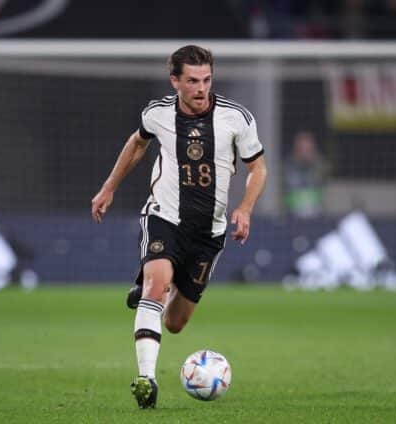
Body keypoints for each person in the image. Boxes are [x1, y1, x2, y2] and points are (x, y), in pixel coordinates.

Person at [90, 45, 267, 409]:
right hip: (164, 217)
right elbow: (137, 143)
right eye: (192, 81)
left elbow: (258, 168)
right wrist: (109, 187)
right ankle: (146, 379)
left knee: (175, 323)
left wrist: (246, 207)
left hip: (209, 233)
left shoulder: (237, 118)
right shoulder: (157, 114)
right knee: (156, 283)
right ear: (175, 81)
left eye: (206, 80)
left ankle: (152, 294)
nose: (201, 88)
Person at [283, 130, 326, 218]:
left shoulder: (320, 167)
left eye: (308, 149)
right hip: (292, 218)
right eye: (302, 148)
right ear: (296, 149)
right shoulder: (287, 169)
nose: (305, 152)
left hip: (317, 218)